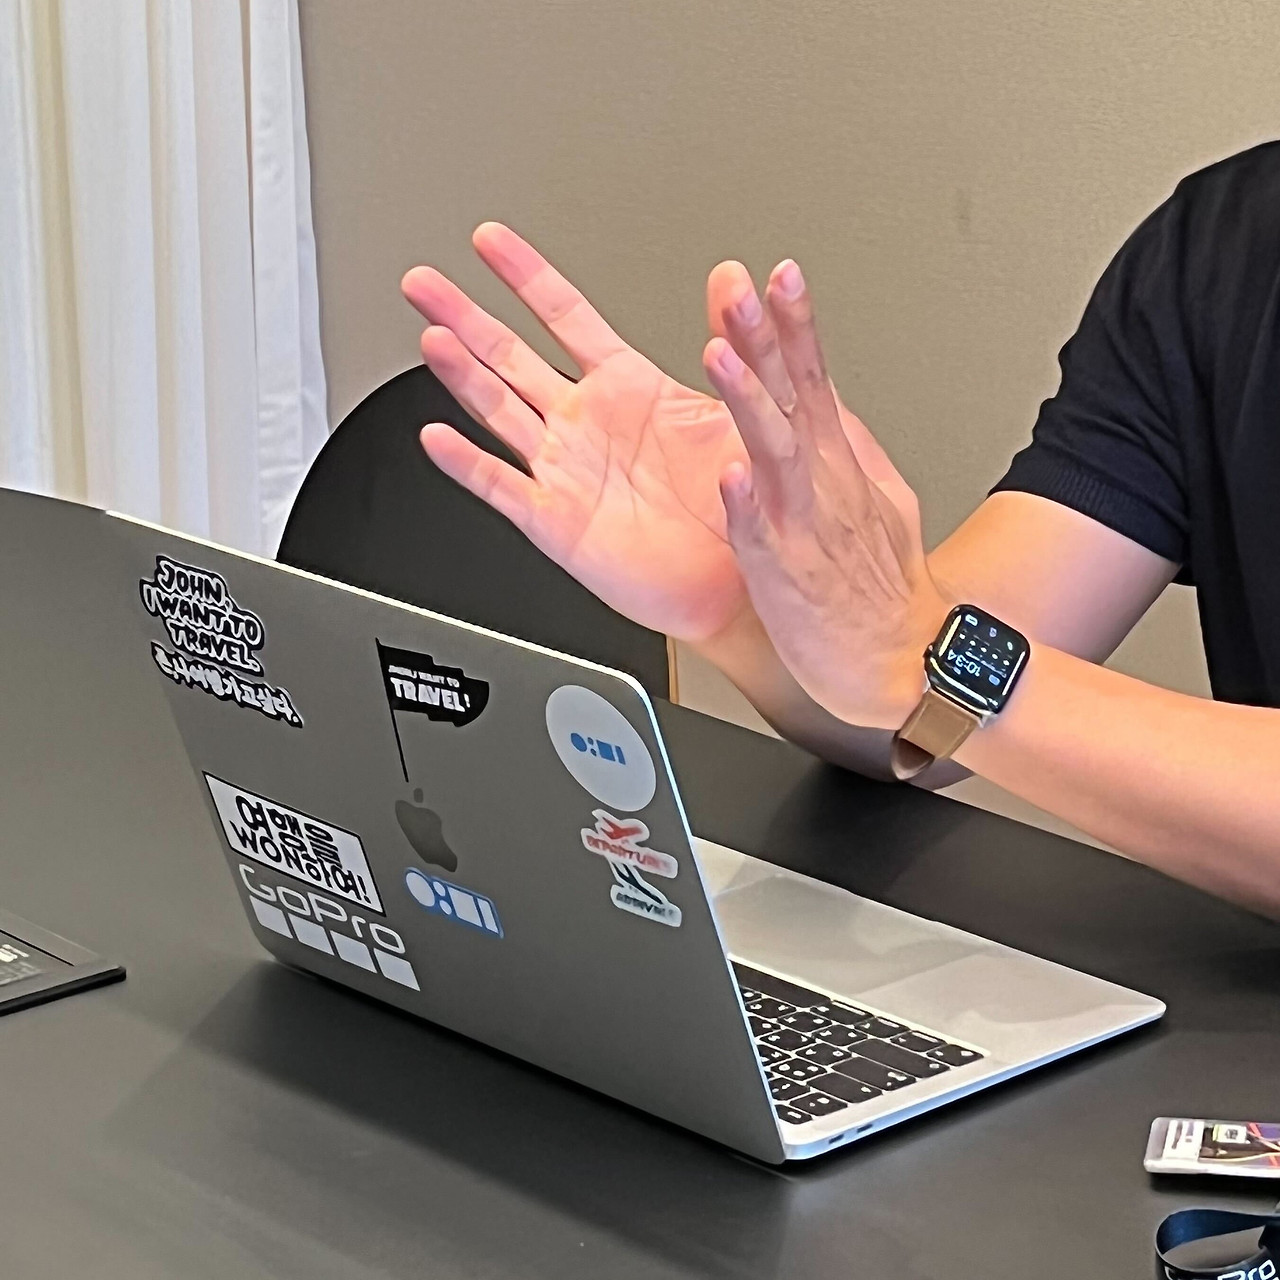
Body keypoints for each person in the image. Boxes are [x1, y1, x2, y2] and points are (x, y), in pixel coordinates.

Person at [401, 141, 1280, 920]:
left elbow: (931, 662)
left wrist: (918, 653)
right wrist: (746, 604)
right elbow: (925, 711)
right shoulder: (1217, 248)